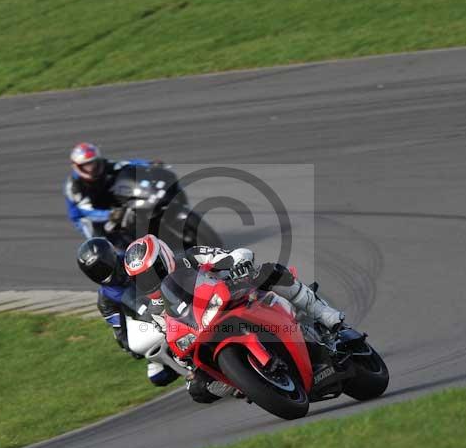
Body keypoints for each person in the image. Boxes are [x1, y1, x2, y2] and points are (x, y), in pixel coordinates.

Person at [123, 234, 346, 403]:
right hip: (205, 329)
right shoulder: (154, 310)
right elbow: (171, 337)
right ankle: (247, 382)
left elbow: (236, 253)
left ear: (164, 258)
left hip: (236, 296)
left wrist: (237, 263)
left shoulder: (192, 257)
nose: (150, 281)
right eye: (142, 279)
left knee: (271, 272)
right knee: (197, 388)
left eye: (153, 272)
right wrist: (186, 362)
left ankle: (326, 317)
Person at [76, 238, 179, 386]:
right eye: (95, 271)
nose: (102, 272)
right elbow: (118, 327)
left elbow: (167, 259)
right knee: (158, 376)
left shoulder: (133, 258)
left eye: (103, 265)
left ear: (111, 256)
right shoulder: (105, 298)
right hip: (150, 321)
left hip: (172, 298)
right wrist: (128, 347)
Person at [64, 142, 159, 240]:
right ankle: (114, 253)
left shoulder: (104, 165)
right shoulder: (74, 185)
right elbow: (86, 211)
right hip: (87, 215)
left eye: (93, 163)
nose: (92, 168)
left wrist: (148, 164)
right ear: (77, 166)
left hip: (105, 200)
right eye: (86, 165)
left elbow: (126, 164)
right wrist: (110, 215)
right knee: (99, 238)